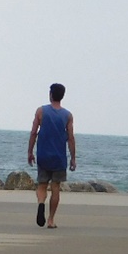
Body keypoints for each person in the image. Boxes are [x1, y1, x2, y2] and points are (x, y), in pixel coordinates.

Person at [27, 82, 76, 229]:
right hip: (59, 157)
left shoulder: (41, 111)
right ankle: (51, 220)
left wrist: (30, 152)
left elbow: (34, 132)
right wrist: (73, 158)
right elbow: (71, 137)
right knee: (55, 187)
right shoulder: (67, 115)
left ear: (50, 95)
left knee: (42, 185)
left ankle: (41, 203)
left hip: (43, 155)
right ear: (62, 96)